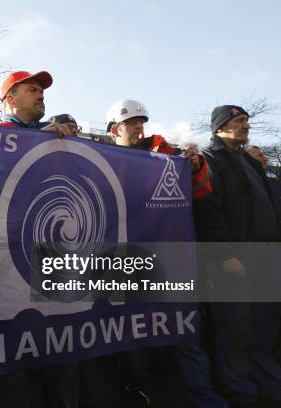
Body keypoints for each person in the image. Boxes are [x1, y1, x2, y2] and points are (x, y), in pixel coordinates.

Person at [106, 99, 225, 408]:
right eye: (131, 122)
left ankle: (204, 398)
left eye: (141, 121)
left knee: (185, 334)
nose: (139, 127)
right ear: (113, 130)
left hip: (173, 265)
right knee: (132, 338)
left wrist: (196, 165)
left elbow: (200, 193)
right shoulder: (102, 161)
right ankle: (144, 394)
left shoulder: (168, 156)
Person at [194, 105, 281, 407]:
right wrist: (224, 255)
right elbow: (208, 212)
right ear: (219, 128)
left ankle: (268, 390)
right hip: (232, 261)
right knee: (235, 330)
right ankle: (241, 395)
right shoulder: (209, 161)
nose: (246, 125)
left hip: (263, 258)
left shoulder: (250, 163)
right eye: (238, 121)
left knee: (263, 328)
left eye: (246, 120)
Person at [0, 70, 73, 137]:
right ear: (11, 100)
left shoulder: (53, 133)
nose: (41, 97)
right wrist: (36, 139)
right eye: (32, 90)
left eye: (41, 92)